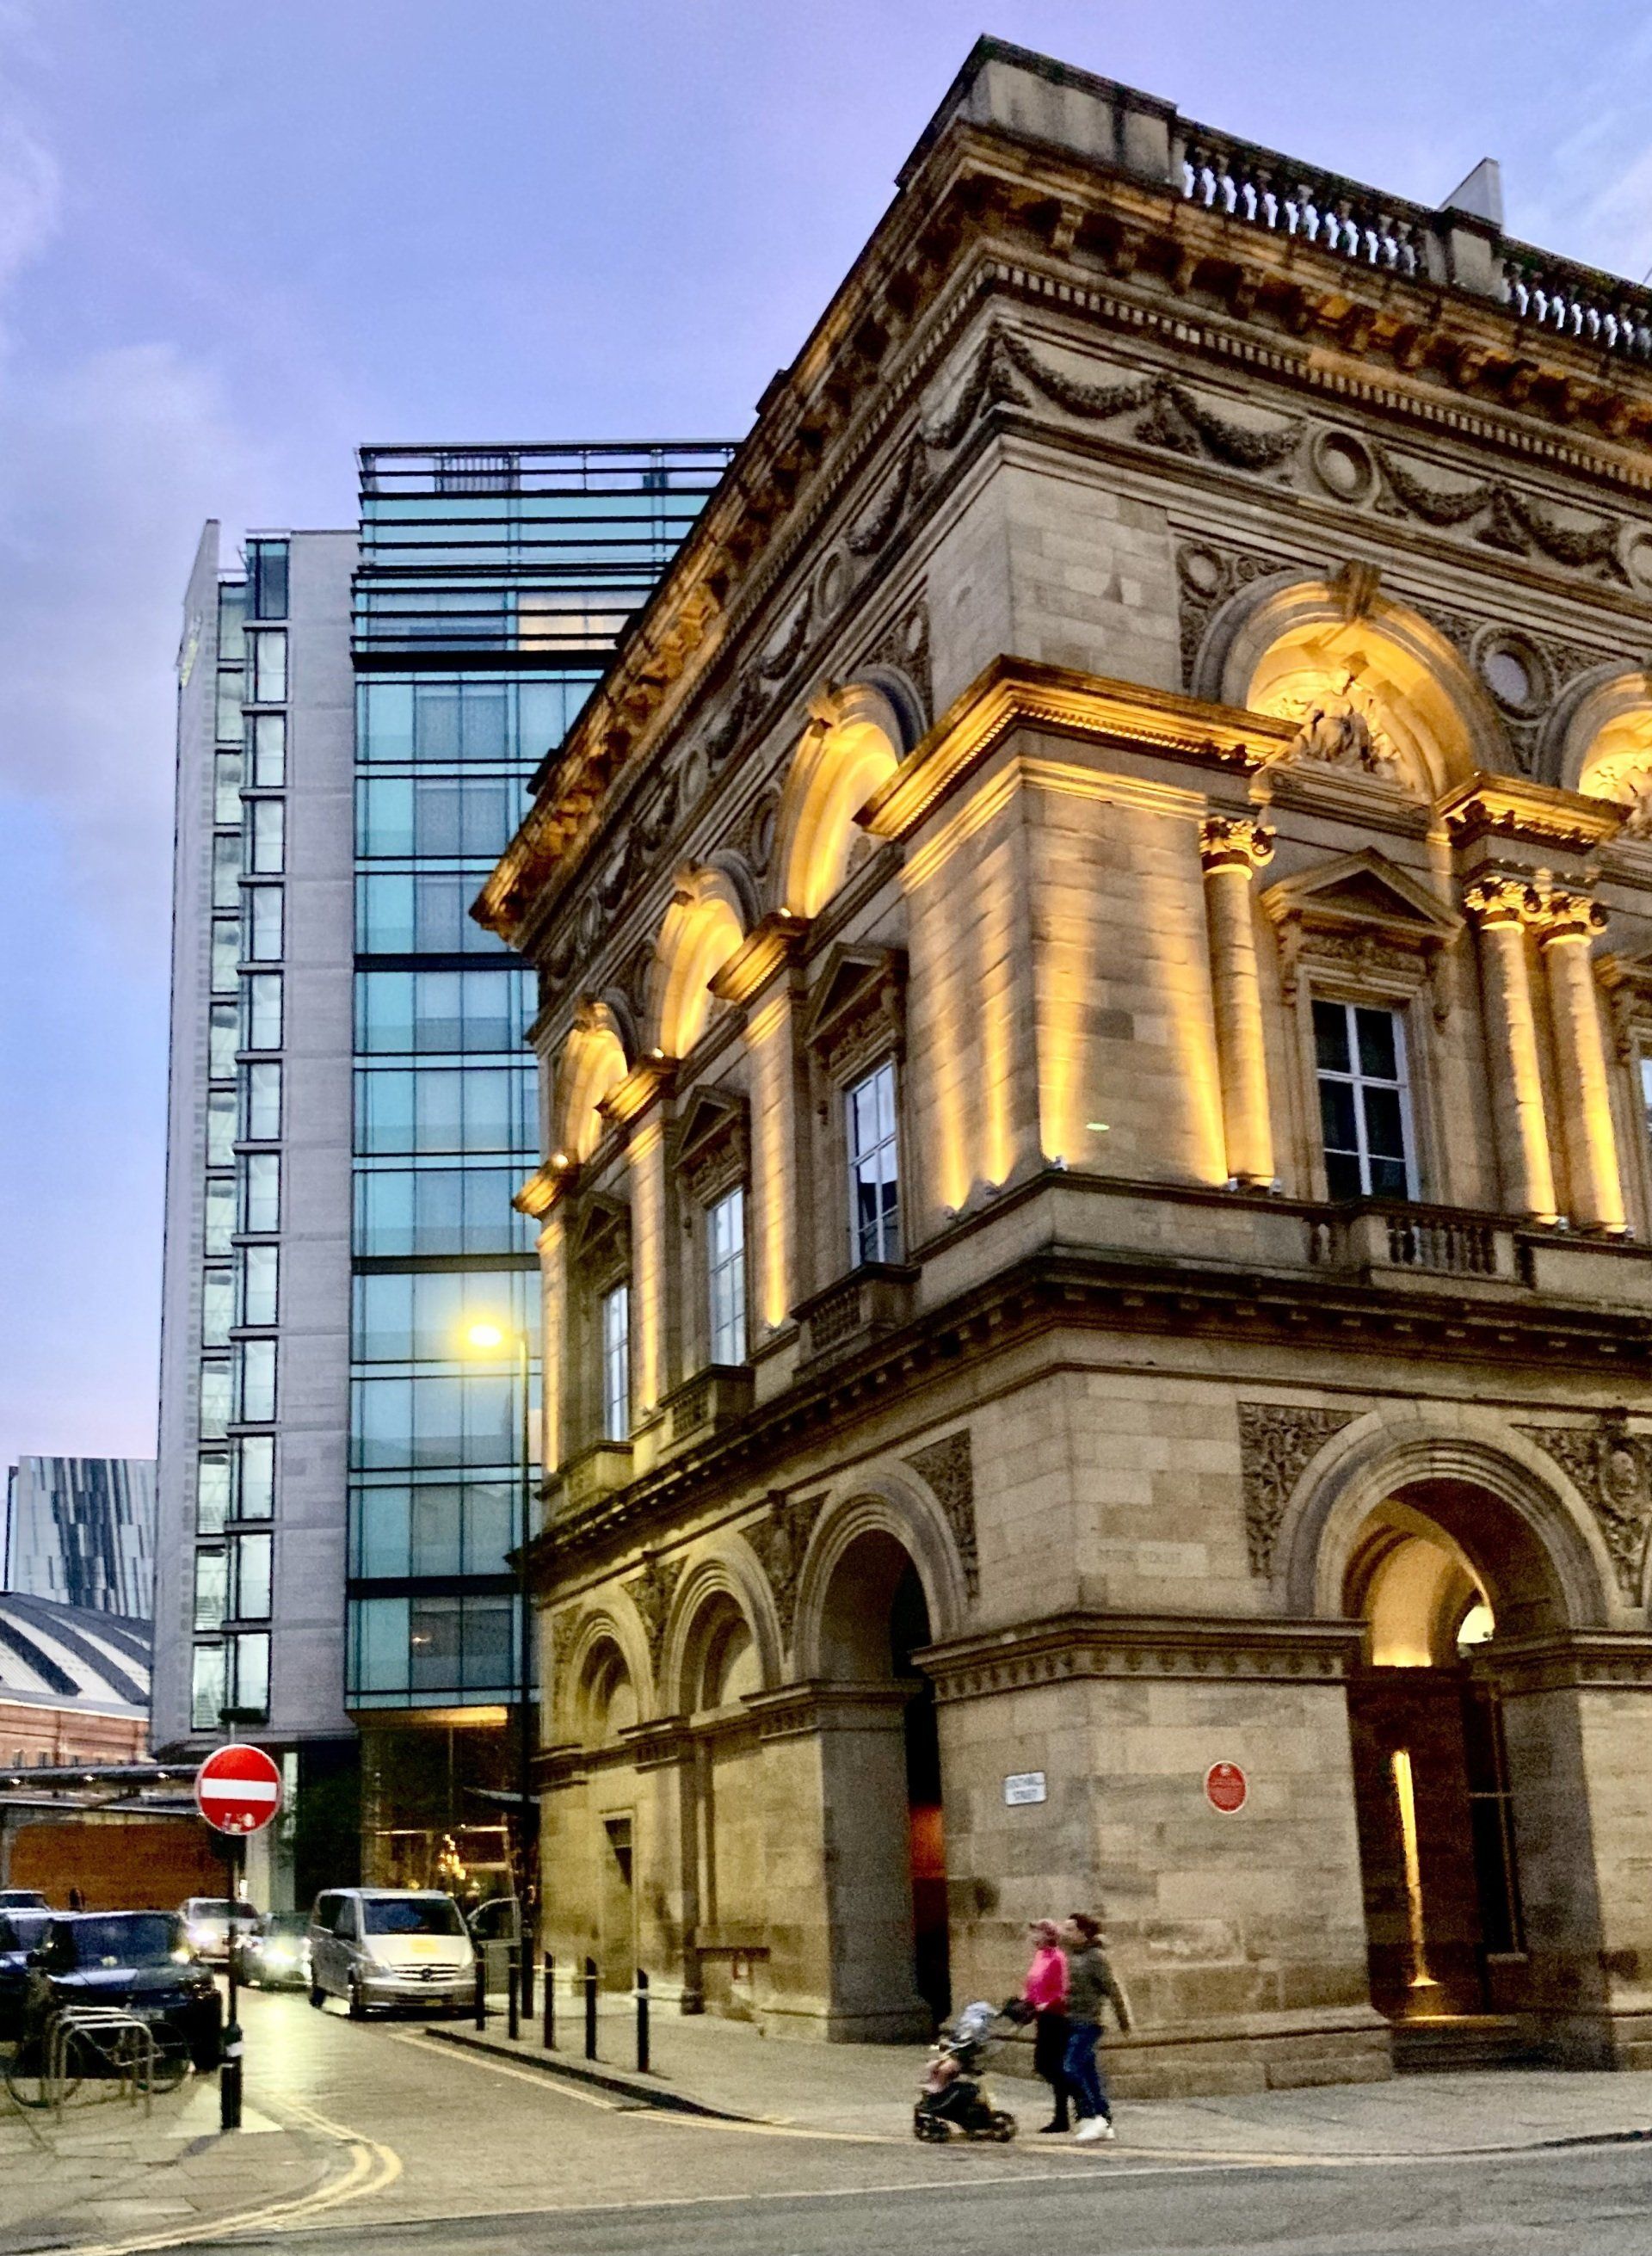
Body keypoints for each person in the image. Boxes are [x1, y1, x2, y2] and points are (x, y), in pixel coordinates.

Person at [1062, 1911, 1131, 2143]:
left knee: (1071, 2067)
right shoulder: (1072, 1955)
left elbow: (1112, 1989)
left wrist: (1124, 2021)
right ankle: (1104, 2117)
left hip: (1089, 2021)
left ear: (1083, 1932)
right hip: (1073, 2020)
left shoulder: (1095, 1957)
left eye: (1070, 1929)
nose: (1065, 1933)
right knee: (1088, 2070)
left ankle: (1092, 2115)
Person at [1023, 1919, 1071, 2133]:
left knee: (1052, 2065)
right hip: (1042, 2016)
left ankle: (1064, 2114)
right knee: (1043, 2065)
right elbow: (1033, 1983)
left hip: (1056, 2017)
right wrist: (1026, 2000)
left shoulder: (1058, 1958)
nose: (1034, 1937)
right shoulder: (1040, 1956)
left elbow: (1062, 1990)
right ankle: (1070, 2104)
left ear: (1048, 1935)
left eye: (1038, 1933)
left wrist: (1047, 2004)